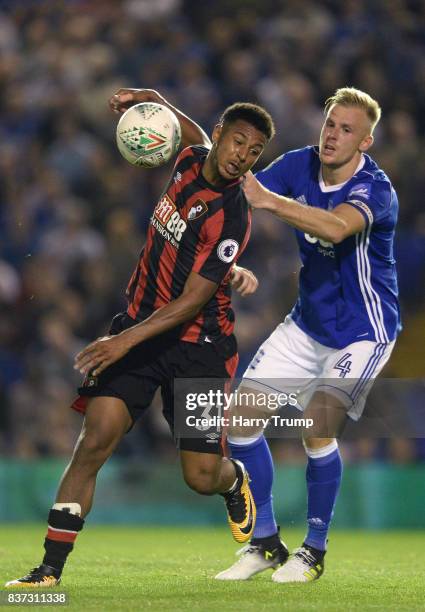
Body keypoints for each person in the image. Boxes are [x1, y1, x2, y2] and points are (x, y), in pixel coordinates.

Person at [6, 90, 275, 587]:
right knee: (94, 442)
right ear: (219, 136)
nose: (243, 155)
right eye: (237, 141)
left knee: (199, 476)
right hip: (140, 327)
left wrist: (122, 342)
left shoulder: (234, 215)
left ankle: (234, 479)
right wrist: (154, 99)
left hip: (200, 348)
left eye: (254, 151)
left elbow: (192, 302)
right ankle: (49, 571)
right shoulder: (191, 157)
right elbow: (191, 133)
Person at [215, 87, 400, 582]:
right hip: (306, 325)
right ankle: (267, 542)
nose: (333, 135)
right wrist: (231, 259)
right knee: (238, 421)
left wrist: (271, 202)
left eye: (346, 129)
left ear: (365, 141)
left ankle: (313, 551)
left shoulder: (375, 190)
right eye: (329, 124)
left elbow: (337, 228)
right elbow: (240, 195)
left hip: (363, 332)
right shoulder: (300, 164)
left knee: (317, 428)